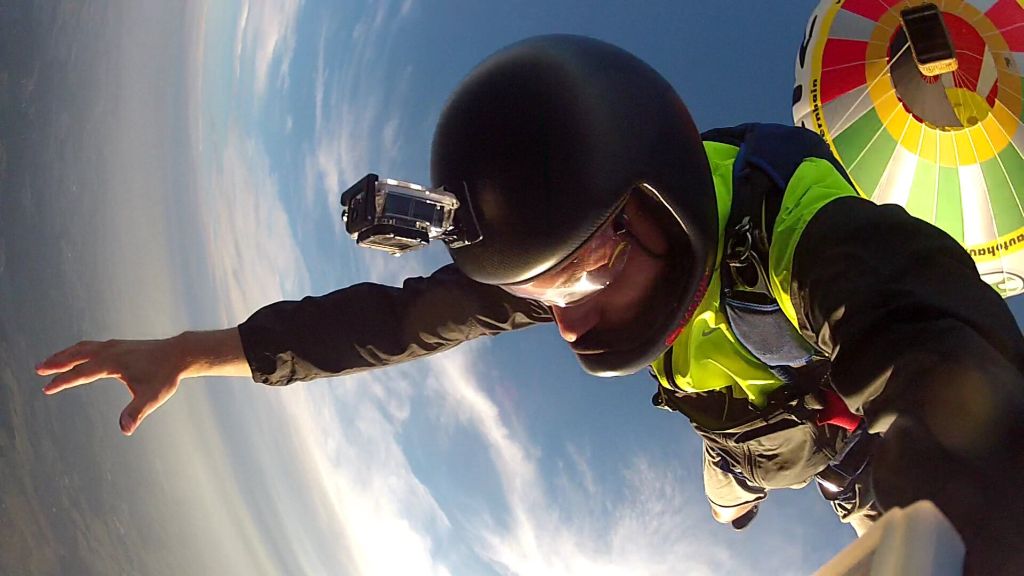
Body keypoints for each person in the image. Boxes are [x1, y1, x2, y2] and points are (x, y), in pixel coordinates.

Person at [36, 35, 1024, 574]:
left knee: (811, 487)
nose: (560, 318)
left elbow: (928, 337)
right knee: (726, 488)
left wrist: (971, 506)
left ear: (661, 215)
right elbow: (393, 324)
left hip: (836, 436)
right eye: (531, 292)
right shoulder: (584, 233)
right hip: (728, 432)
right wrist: (188, 350)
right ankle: (738, 494)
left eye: (576, 281)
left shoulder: (807, 232)